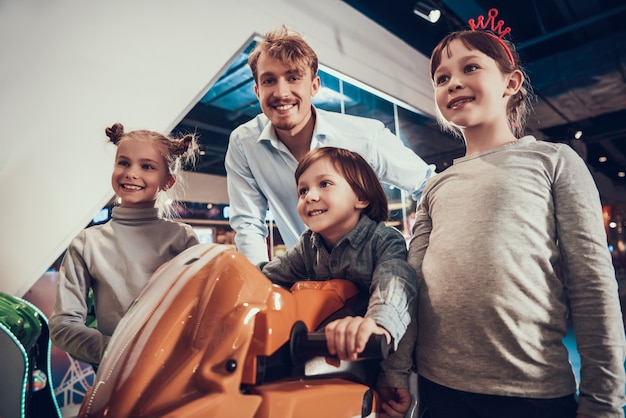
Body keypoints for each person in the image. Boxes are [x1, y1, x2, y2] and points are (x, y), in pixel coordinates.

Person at [380, 8, 626, 418]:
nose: (453, 81)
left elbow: (592, 284)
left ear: (511, 82)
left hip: (531, 393)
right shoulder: (436, 186)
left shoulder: (554, 161)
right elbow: (411, 285)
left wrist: (603, 400)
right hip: (439, 390)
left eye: (470, 67)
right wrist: (395, 370)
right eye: (441, 78)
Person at [225, 25, 436, 266]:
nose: (281, 92)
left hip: (371, 276)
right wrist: (259, 288)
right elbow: (248, 224)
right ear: (257, 90)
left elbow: (430, 186)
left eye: (293, 77)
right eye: (269, 80)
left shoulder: (364, 137)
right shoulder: (244, 144)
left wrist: (418, 258)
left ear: (314, 86)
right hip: (306, 283)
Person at [49, 123, 200, 367]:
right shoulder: (87, 243)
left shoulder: (183, 239)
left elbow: (200, 312)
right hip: (113, 382)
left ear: (167, 182)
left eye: (147, 166)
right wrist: (118, 352)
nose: (131, 173)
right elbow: (63, 325)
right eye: (123, 163)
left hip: (173, 374)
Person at [261, 147, 417, 364]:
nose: (310, 197)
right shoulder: (309, 244)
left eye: (324, 184)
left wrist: (377, 324)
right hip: (322, 350)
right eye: (303, 191)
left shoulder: (383, 240)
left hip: (373, 352)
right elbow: (268, 275)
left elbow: (394, 284)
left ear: (361, 196)